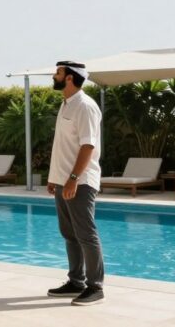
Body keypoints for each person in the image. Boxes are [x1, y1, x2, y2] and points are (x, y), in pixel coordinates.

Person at [46, 60, 105, 306]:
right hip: (63, 181)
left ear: (69, 77)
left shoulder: (85, 106)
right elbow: (63, 146)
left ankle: (95, 287)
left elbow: (87, 146)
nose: (54, 75)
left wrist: (72, 179)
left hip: (79, 182)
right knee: (69, 234)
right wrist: (54, 178)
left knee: (86, 234)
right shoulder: (66, 104)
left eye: (58, 72)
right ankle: (76, 281)